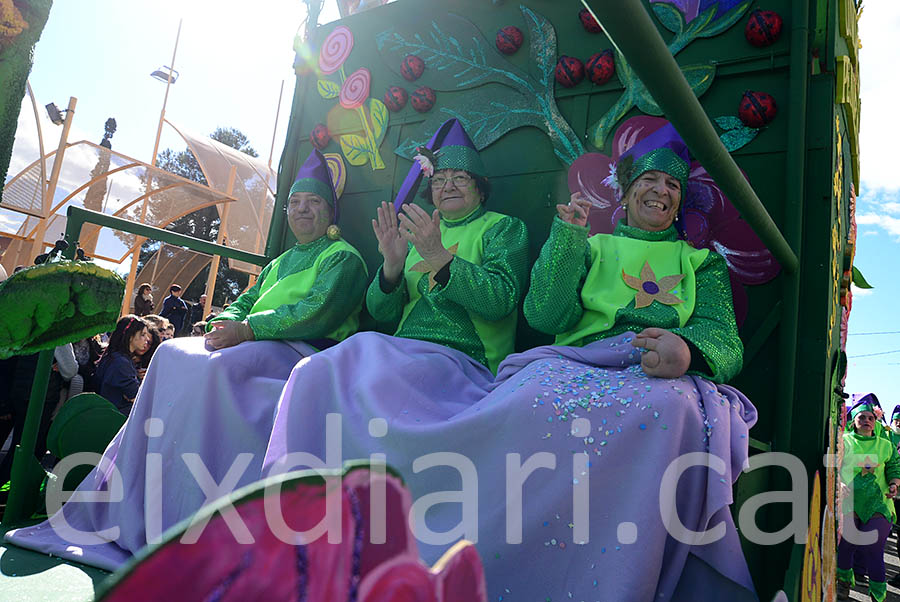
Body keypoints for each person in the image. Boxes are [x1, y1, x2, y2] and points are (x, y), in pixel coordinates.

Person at [262, 123, 756, 602]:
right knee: (518, 394)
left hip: (644, 370)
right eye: (648, 179)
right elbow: (546, 312)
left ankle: (608, 573)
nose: (660, 191)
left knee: (667, 412)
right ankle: (324, 520)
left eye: (671, 184)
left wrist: (688, 351)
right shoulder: (590, 244)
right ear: (625, 194)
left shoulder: (700, 262)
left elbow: (721, 336)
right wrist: (395, 264)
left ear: (480, 189)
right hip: (572, 363)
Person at [5, 149, 368, 570]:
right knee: (172, 354)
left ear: (330, 209)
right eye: (296, 203)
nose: (303, 210)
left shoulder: (343, 257)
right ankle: (141, 500)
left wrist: (247, 329)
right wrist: (225, 322)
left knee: (214, 368)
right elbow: (247, 300)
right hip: (256, 344)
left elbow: (317, 311)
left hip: (303, 351)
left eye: (314, 203)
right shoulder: (284, 260)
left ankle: (193, 513)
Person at [837, 396, 900, 602]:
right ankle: (844, 584)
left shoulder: (885, 444)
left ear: (875, 421)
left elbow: (893, 466)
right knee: (846, 545)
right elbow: (832, 465)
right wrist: (839, 482)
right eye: (862, 417)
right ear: (853, 421)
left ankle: (878, 595)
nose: (867, 420)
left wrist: (894, 484)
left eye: (871, 417)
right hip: (850, 501)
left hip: (879, 503)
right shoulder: (843, 441)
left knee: (873, 548)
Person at [93, 315, 151, 414]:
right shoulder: (121, 363)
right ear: (130, 336)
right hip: (117, 416)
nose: (147, 339)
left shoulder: (115, 356)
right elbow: (136, 397)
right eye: (143, 334)